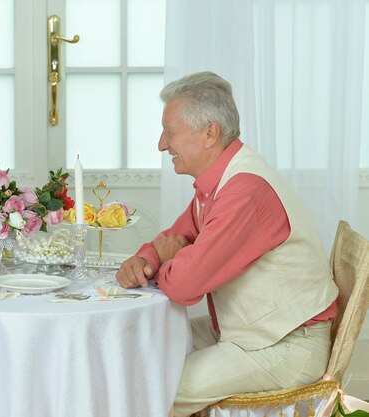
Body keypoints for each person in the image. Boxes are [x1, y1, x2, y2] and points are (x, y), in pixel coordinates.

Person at [116, 71, 338, 417]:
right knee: (138, 344)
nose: (162, 144)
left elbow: (184, 285)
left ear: (209, 133)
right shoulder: (221, 180)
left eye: (170, 132)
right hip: (247, 331)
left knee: (155, 389)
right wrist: (149, 254)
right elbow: (176, 235)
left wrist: (172, 256)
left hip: (283, 345)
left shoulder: (244, 190)